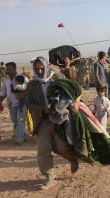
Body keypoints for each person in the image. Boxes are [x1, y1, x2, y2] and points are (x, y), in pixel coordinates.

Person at [25, 56, 79, 190]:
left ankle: (73, 158)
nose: (39, 71)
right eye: (37, 68)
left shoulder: (57, 80)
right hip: (42, 120)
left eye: (42, 68)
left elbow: (72, 89)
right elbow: (28, 103)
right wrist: (41, 109)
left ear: (47, 67)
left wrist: (74, 105)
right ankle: (50, 176)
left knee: (62, 147)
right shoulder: (32, 85)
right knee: (43, 150)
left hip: (58, 120)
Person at [0, 62, 28, 145]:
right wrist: (0, 101)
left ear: (15, 69)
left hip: (21, 103)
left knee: (20, 120)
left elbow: (29, 88)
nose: (8, 71)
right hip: (11, 103)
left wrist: (24, 93)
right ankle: (22, 136)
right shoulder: (6, 80)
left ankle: (19, 139)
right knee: (15, 121)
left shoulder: (22, 77)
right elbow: (3, 91)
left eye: (10, 69)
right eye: (7, 69)